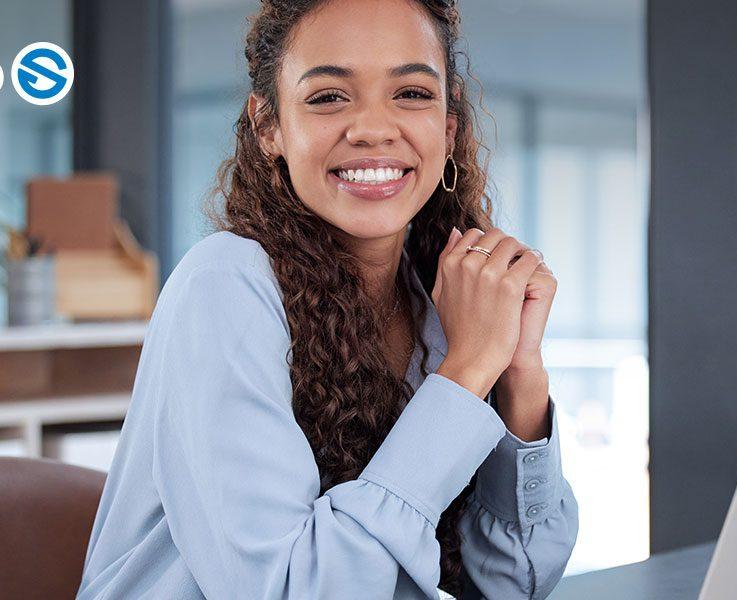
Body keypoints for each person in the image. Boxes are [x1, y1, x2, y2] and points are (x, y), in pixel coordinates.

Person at [77, 0, 578, 598]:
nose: (372, 127)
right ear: (270, 128)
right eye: (328, 97)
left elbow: (514, 584)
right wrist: (467, 373)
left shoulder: (437, 301)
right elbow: (293, 590)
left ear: (448, 130)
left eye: (412, 93)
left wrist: (517, 370)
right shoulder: (225, 284)